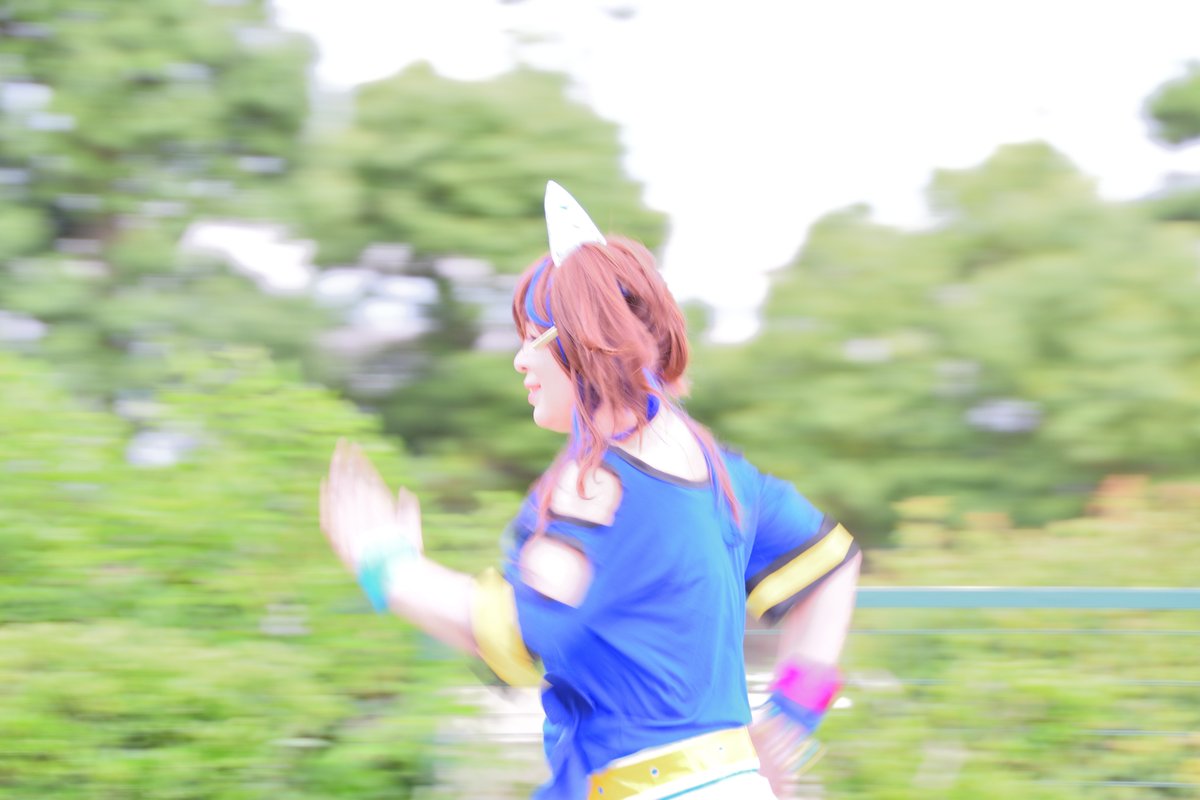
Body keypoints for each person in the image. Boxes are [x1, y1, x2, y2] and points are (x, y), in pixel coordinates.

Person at [319, 181, 862, 800]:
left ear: (580, 342)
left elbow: (510, 633)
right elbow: (832, 565)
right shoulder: (721, 474)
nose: (520, 361)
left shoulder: (594, 487)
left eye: (533, 337)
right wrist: (793, 712)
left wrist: (383, 562)